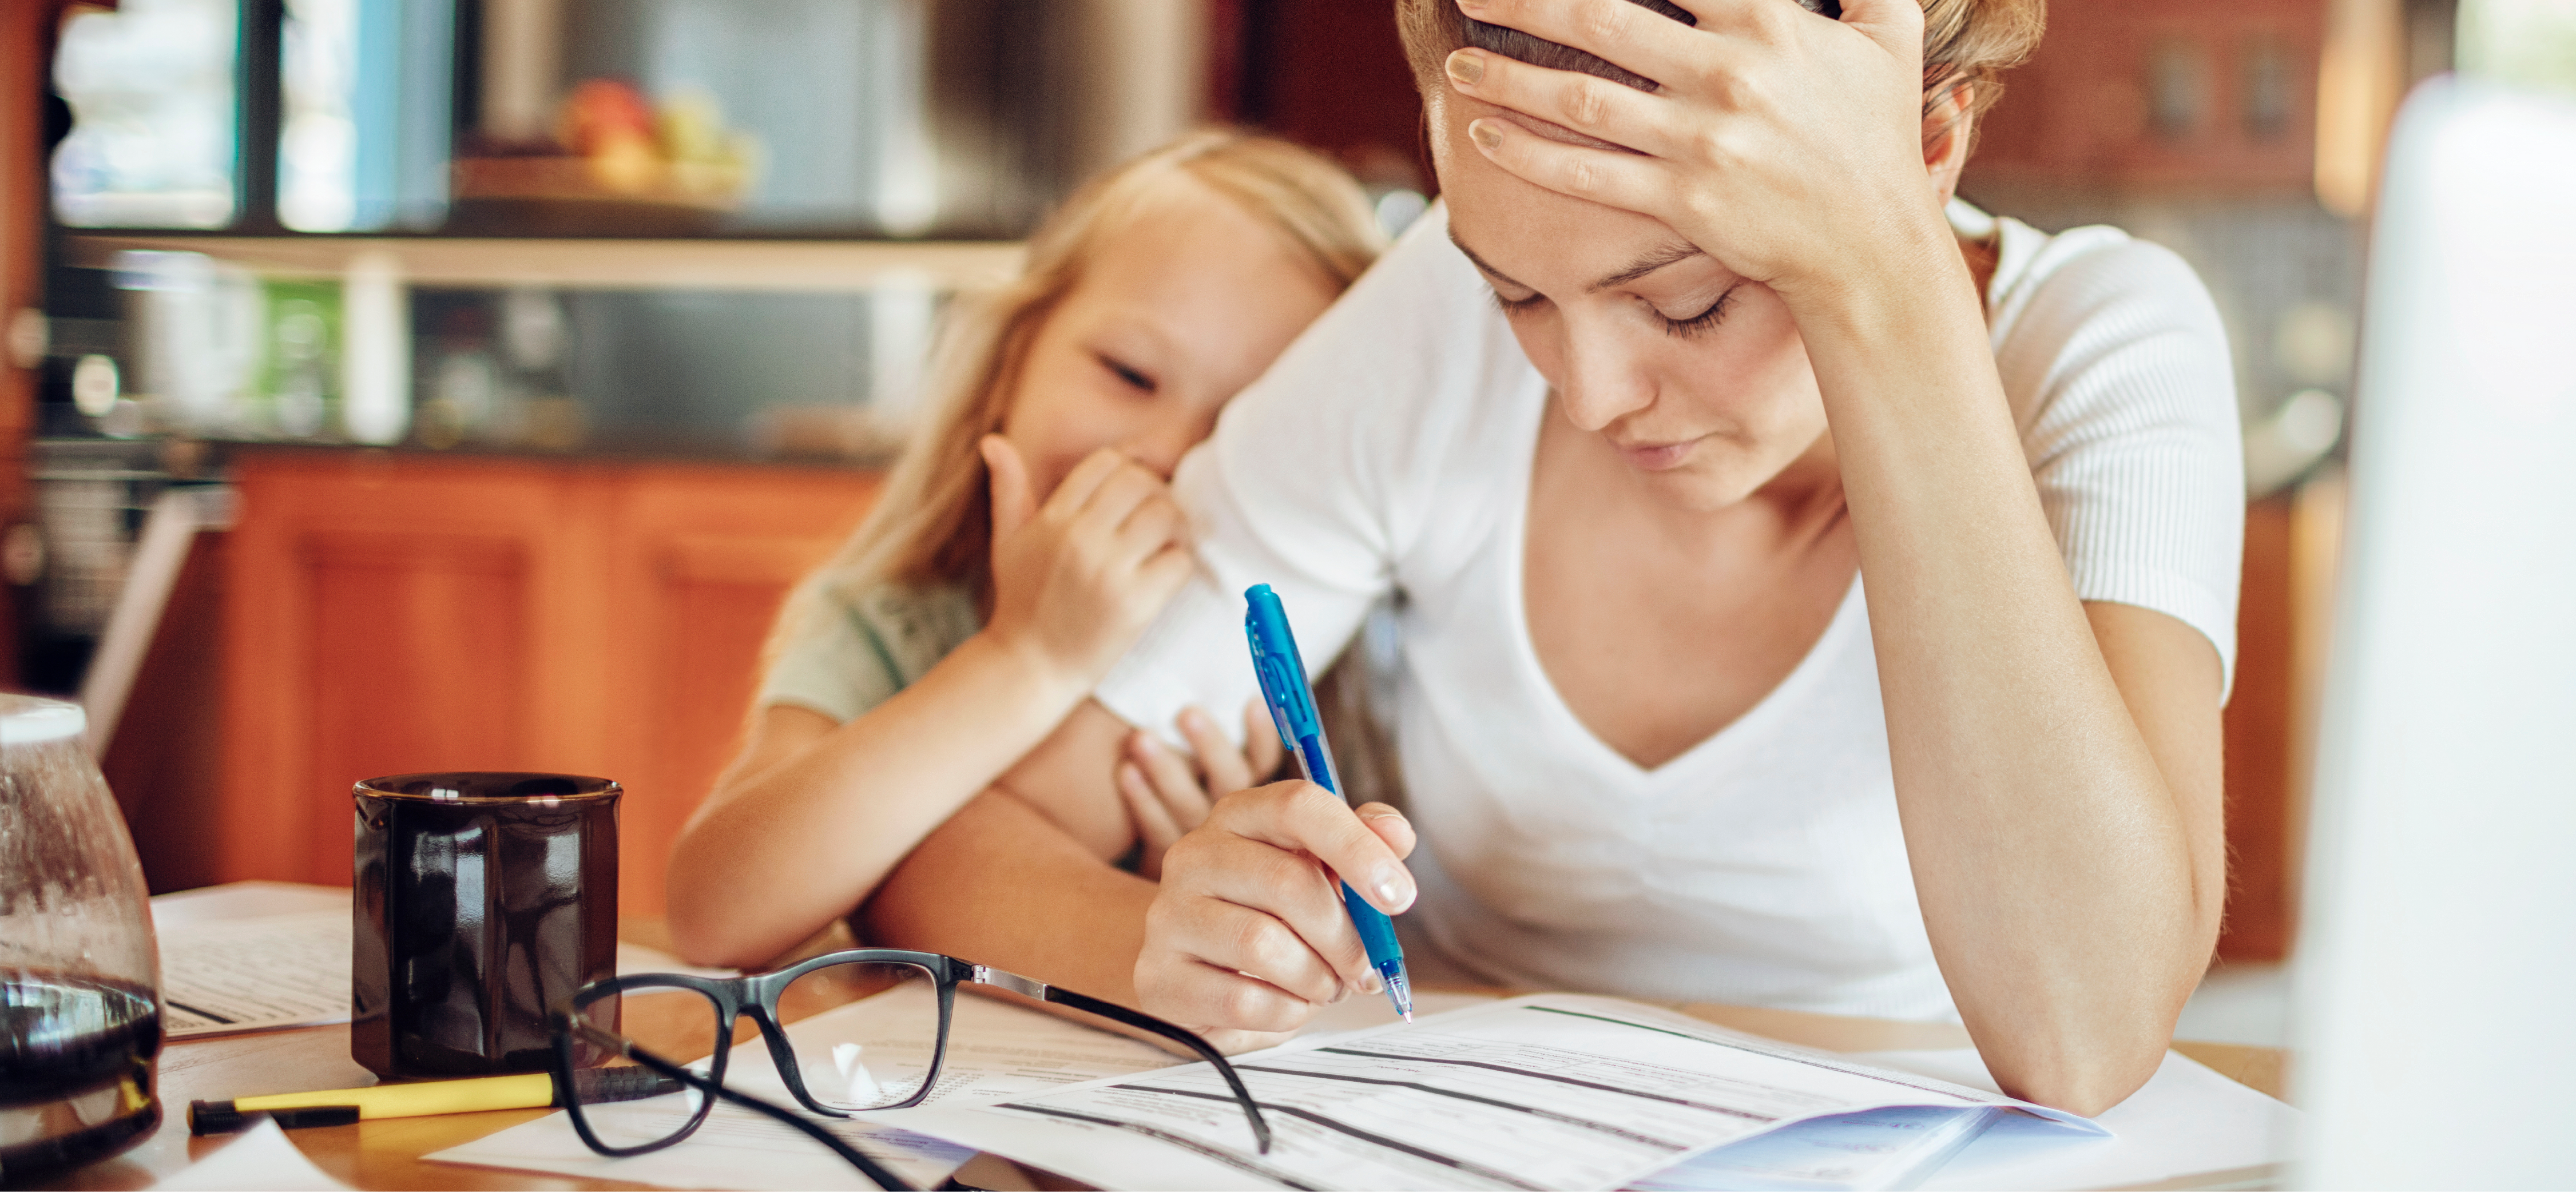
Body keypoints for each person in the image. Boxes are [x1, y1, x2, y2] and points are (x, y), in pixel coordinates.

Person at [863, 0, 2241, 1115]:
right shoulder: (1428, 337)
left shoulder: (2098, 346)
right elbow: (964, 844)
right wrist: (1169, 943)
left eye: (1688, 304)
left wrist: (1886, 276)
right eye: (1516, 291)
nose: (1587, 395)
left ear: (1922, 147)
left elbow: (2085, 1033)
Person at [664, 131, 1390, 970]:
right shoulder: (892, 619)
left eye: (1240, 430)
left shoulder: (1336, 663)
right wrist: (1028, 657)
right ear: (1013, 358)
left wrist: (1205, 877)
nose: (1168, 452)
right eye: (1128, 373)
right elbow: (713, 914)